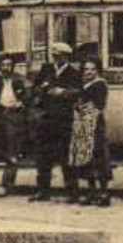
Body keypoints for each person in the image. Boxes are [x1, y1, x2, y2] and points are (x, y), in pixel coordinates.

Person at [29, 41, 83, 202]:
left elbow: (80, 92)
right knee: (43, 157)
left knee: (67, 157)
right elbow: (35, 88)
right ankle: (43, 191)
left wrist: (63, 92)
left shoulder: (74, 73)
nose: (56, 58)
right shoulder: (46, 69)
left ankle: (72, 192)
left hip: (65, 120)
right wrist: (43, 89)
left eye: (59, 56)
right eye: (54, 55)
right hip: (46, 119)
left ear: (66, 56)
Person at [0, 53, 29, 197]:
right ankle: (7, 183)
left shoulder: (18, 80)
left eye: (9, 65)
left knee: (12, 152)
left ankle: (5, 185)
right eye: (3, 65)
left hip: (14, 116)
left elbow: (29, 96)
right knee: (1, 149)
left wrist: (22, 103)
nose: (6, 68)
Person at [67, 58, 111, 206]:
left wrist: (81, 106)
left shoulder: (100, 84)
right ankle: (91, 192)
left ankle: (104, 193)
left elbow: (99, 105)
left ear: (97, 70)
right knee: (87, 159)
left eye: (92, 69)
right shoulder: (84, 85)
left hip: (95, 125)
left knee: (99, 158)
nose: (88, 72)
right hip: (82, 125)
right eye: (86, 69)